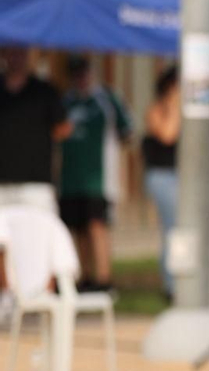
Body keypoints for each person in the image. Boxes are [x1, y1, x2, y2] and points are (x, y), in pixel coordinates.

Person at [57, 55, 132, 291]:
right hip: (69, 178)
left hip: (98, 179)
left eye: (84, 72)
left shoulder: (106, 99)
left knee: (97, 225)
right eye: (75, 74)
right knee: (77, 227)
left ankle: (103, 278)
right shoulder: (65, 102)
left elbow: (127, 132)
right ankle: (85, 276)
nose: (80, 78)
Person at [0, 45, 70, 212]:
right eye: (11, 51)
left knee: (38, 236)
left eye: (20, 52)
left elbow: (63, 128)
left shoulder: (45, 90)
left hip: (36, 185)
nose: (16, 57)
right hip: (2, 183)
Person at [142, 66, 182, 299]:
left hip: (182, 176)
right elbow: (168, 135)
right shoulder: (157, 110)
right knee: (172, 229)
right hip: (163, 176)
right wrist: (174, 106)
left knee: (181, 229)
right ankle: (171, 285)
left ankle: (183, 279)